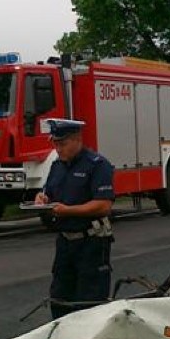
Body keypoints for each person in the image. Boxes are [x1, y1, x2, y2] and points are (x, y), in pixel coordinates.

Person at [35, 119, 115, 319]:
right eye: (55, 143)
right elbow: (49, 193)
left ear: (77, 140)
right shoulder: (57, 166)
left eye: (62, 144)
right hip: (65, 242)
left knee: (89, 301)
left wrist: (69, 210)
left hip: (91, 242)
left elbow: (103, 205)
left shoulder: (97, 165)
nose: (58, 149)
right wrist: (42, 199)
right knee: (60, 298)